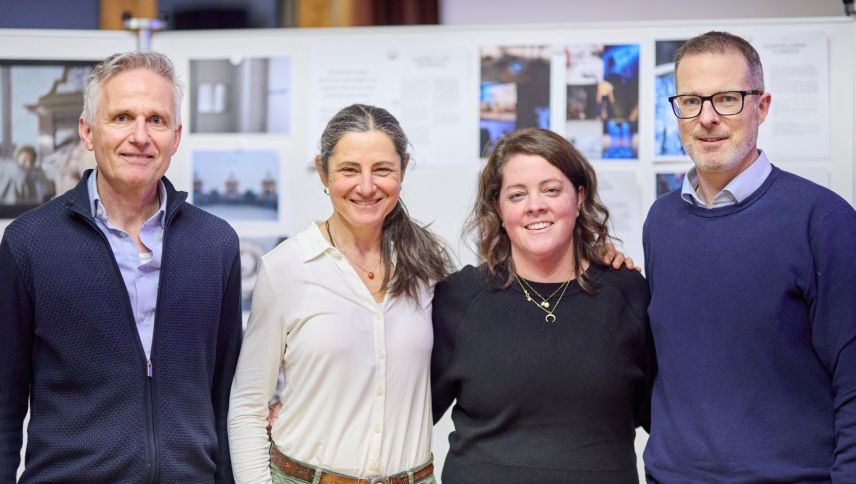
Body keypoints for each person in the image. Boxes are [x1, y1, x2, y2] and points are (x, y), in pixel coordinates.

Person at [0, 51, 242, 483]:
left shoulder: (215, 244)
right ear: (88, 132)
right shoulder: (30, 243)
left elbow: (225, 396)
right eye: (122, 117)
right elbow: (3, 401)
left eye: (156, 120)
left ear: (176, 136)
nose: (140, 136)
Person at [643, 31, 856, 482]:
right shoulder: (661, 222)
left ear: (762, 106)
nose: (707, 118)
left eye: (727, 99)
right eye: (691, 101)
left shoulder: (823, 220)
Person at [228, 104, 453, 484]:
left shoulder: (427, 267)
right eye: (349, 170)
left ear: (403, 169)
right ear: (323, 172)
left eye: (382, 169)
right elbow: (249, 406)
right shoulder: (286, 267)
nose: (366, 187)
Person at [432, 127, 655, 483]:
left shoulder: (628, 293)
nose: (536, 205)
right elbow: (403, 419)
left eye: (551, 190)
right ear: (498, 207)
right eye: (517, 194)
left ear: (579, 197)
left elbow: (666, 419)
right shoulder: (458, 299)